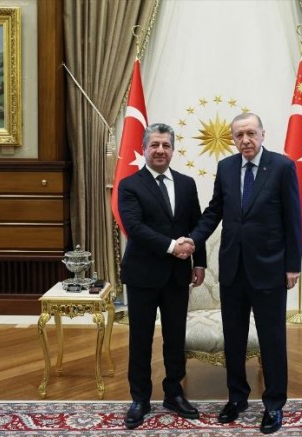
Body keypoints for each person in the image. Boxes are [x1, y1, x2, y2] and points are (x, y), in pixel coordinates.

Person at [188, 112, 302, 434]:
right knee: (234, 338)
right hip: (233, 269)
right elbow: (214, 211)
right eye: (239, 135)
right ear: (233, 139)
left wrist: (293, 265)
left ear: (263, 134)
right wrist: (193, 239)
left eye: (251, 133)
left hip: (270, 268)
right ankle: (237, 397)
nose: (245, 140)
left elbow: (293, 219)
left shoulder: (282, 167)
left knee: (272, 339)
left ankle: (274, 404)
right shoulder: (226, 167)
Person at [117, 123, 206, 430]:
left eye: (166, 145)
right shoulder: (129, 185)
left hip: (177, 275)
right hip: (142, 275)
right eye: (154, 145)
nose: (160, 150)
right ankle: (140, 398)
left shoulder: (186, 183)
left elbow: (196, 225)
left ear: (173, 150)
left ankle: (173, 393)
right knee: (140, 339)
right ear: (144, 149)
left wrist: (199, 262)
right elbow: (135, 228)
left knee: (175, 338)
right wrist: (172, 246)